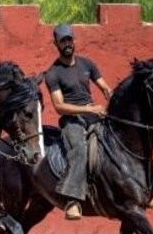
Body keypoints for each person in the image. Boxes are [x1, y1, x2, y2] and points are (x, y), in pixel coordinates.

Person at [45, 23, 112, 220]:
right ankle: (72, 201)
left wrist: (113, 98)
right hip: (71, 122)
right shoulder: (53, 73)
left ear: (75, 41)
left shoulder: (87, 64)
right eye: (62, 40)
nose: (67, 43)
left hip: (94, 116)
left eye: (69, 39)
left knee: (116, 141)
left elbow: (105, 88)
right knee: (79, 151)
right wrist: (88, 108)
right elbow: (59, 105)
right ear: (56, 43)